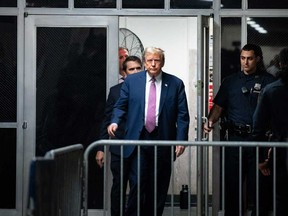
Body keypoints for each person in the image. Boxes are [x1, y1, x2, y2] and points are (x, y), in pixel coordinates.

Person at [107, 47, 190, 215]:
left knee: (158, 186)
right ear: (144, 62)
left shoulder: (175, 83)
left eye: (157, 60)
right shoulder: (132, 82)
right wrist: (115, 122)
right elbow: (121, 105)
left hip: (163, 139)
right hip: (139, 139)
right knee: (137, 183)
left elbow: (182, 115)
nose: (153, 64)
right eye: (150, 60)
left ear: (162, 62)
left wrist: (181, 139)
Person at [203, 44, 275, 215]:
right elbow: (219, 106)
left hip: (259, 142)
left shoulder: (269, 82)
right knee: (232, 188)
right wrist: (210, 121)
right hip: (235, 141)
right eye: (243, 58)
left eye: (250, 58)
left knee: (259, 189)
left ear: (258, 58)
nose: (246, 62)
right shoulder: (231, 82)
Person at [95, 56, 143, 216]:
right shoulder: (115, 91)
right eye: (131, 69)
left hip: (139, 147)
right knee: (119, 186)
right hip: (119, 147)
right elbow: (107, 119)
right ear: (124, 73)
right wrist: (101, 148)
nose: (135, 72)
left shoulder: (148, 89)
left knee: (138, 184)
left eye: (138, 68)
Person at [253, 47, 288, 216]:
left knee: (282, 198)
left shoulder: (271, 90)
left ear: (280, 64)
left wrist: (261, 159)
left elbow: (258, 126)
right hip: (280, 150)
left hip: (281, 151)